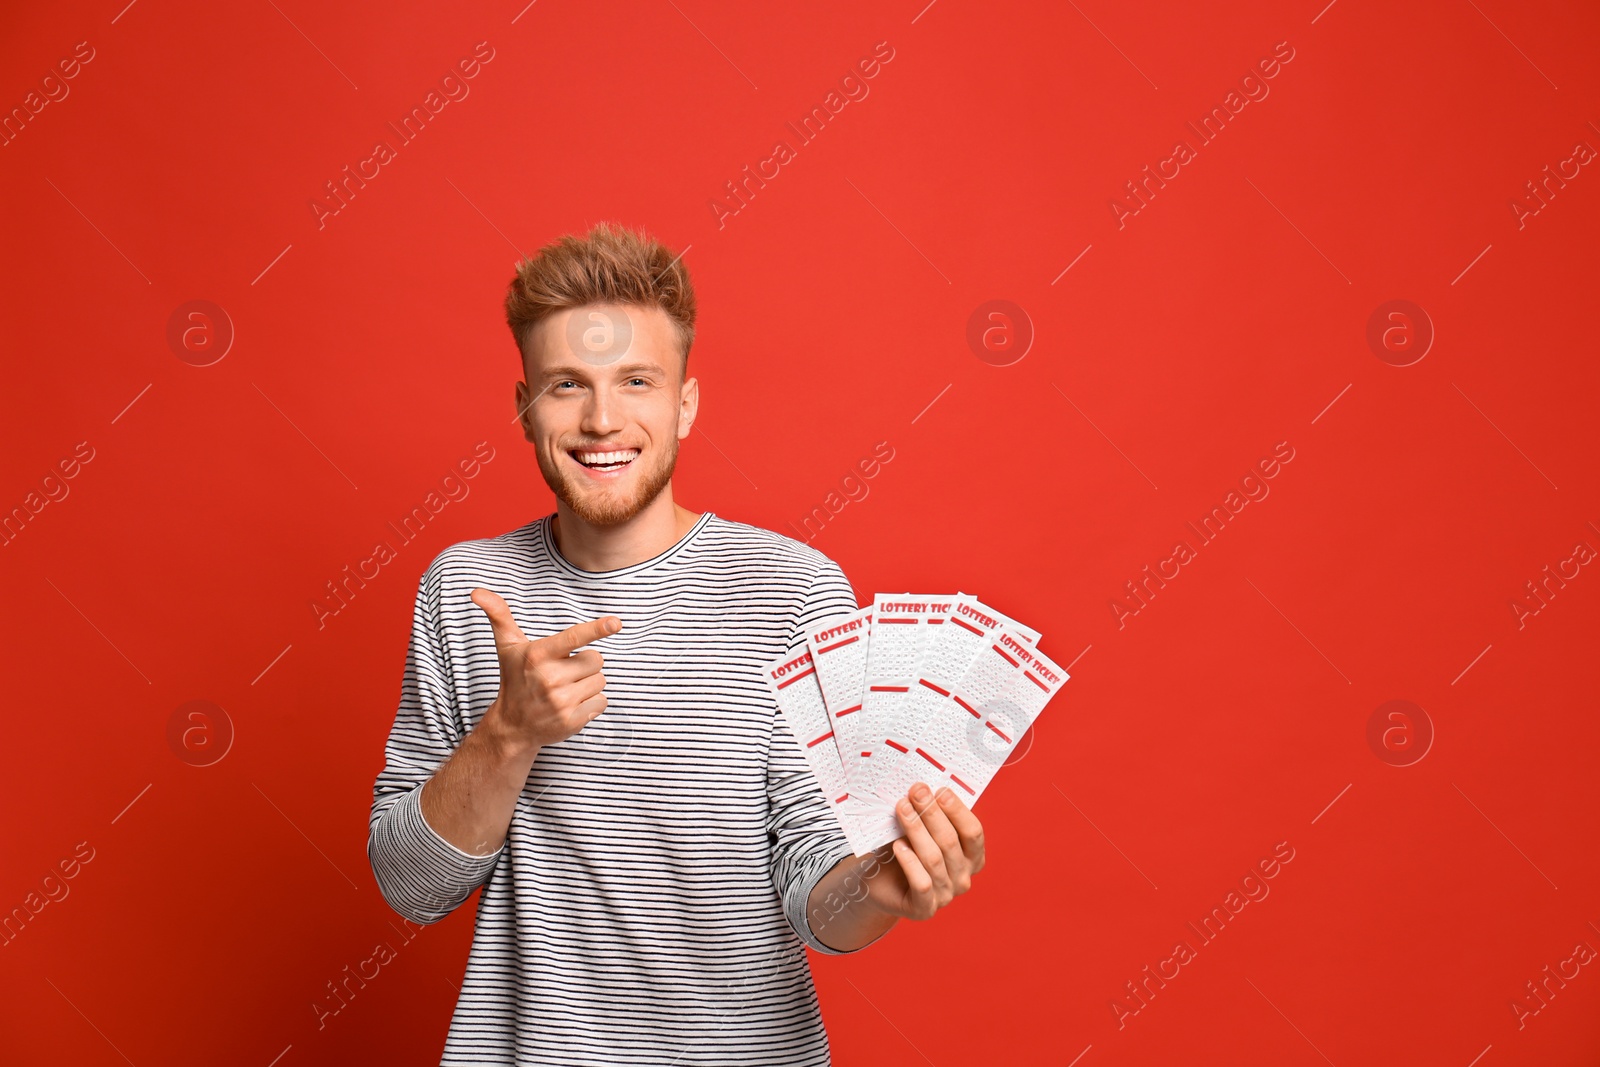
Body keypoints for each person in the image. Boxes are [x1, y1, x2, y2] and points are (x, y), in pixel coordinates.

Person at [366, 221, 986, 1065]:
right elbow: (410, 887)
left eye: (636, 380)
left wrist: (878, 887)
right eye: (566, 385)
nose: (601, 418)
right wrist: (509, 733)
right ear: (524, 407)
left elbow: (819, 893)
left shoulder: (796, 589)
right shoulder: (466, 589)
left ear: (684, 404)